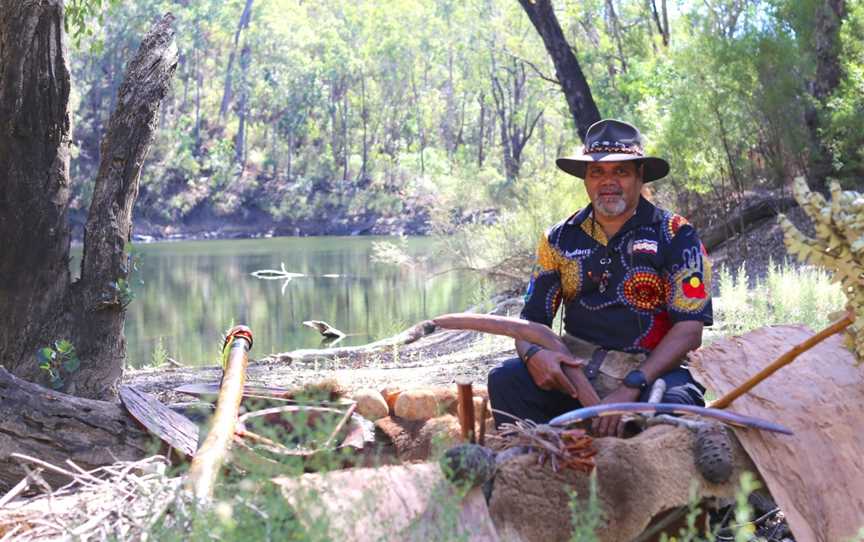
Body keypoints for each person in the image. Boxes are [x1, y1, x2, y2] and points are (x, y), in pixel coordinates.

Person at [487, 119, 712, 437]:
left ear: (639, 176)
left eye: (620, 171)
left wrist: (632, 385)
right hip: (577, 372)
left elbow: (690, 331)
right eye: (597, 172)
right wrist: (536, 356)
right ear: (586, 180)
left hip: (654, 372)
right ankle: (539, 474)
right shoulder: (558, 239)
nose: (608, 182)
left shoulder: (676, 234)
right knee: (506, 379)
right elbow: (530, 325)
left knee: (676, 407)